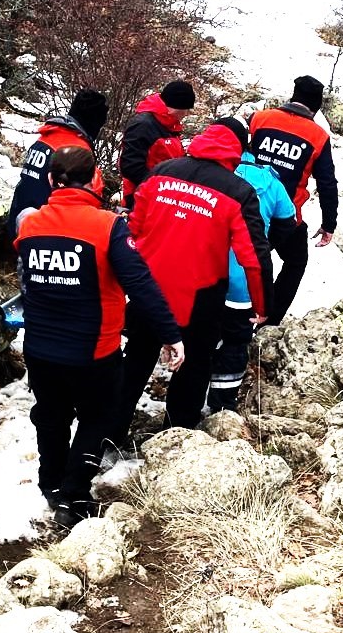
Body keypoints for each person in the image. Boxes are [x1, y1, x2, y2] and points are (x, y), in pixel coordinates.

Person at [17, 146, 182, 527]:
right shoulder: (106, 226)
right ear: (94, 179)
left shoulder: (29, 225)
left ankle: (51, 480)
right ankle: (73, 494)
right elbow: (140, 284)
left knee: (51, 415)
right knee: (97, 418)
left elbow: (28, 281)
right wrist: (170, 333)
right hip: (94, 350)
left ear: (50, 180)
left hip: (40, 346)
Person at [113, 120, 272, 442]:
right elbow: (254, 258)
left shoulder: (161, 172)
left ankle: (109, 433)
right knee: (195, 364)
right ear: (237, 150)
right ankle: (177, 438)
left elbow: (133, 229)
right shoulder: (239, 191)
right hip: (201, 295)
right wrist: (261, 304)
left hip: (149, 286)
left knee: (137, 359)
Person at [206, 116, 296, 412]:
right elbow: (287, 224)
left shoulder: (204, 173)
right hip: (244, 281)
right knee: (235, 340)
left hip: (204, 271)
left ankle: (189, 387)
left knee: (199, 330)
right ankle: (221, 402)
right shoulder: (270, 182)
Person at [249, 74, 339, 324]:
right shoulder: (318, 136)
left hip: (243, 206)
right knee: (296, 261)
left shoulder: (260, 118)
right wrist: (328, 223)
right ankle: (270, 320)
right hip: (283, 217)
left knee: (239, 262)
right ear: (316, 106)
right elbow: (327, 183)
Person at [5, 88, 108, 239]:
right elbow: (90, 198)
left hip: (19, 222)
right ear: (95, 123)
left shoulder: (44, 138)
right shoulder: (77, 152)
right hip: (47, 233)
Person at [119, 80, 193, 208]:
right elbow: (130, 166)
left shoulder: (170, 125)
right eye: (186, 109)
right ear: (177, 106)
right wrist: (160, 185)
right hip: (142, 196)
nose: (187, 114)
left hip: (163, 195)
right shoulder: (144, 124)